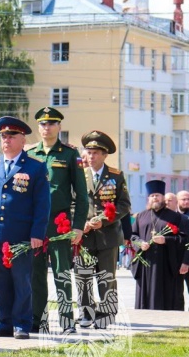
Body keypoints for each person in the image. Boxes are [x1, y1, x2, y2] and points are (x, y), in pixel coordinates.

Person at [0, 116, 51, 340]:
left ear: (22, 139)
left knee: (21, 280)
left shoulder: (35, 167)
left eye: (11, 136)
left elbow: (42, 204)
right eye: (3, 136)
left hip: (21, 235)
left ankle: (22, 324)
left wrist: (37, 233)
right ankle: (4, 323)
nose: (6, 139)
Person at [26, 107, 88, 335]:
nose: (47, 127)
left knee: (62, 272)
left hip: (59, 222)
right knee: (36, 273)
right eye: (43, 124)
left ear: (59, 127)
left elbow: (81, 195)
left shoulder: (70, 155)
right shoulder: (31, 154)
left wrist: (78, 226)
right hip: (35, 223)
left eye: (51, 123)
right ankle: (37, 320)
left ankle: (66, 320)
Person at [78, 130, 132, 328]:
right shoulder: (80, 175)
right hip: (83, 236)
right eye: (88, 152)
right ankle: (86, 312)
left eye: (95, 153)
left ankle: (106, 313)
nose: (91, 156)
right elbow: (73, 202)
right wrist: (79, 223)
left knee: (106, 277)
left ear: (104, 155)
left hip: (108, 236)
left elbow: (124, 205)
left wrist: (105, 220)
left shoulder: (116, 176)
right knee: (83, 275)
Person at [131, 180, 189, 310]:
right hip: (146, 263)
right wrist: (140, 243)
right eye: (152, 195)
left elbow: (184, 240)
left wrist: (166, 240)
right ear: (148, 198)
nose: (155, 198)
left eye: (157, 195)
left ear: (163, 197)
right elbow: (132, 236)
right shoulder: (141, 216)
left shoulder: (176, 217)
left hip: (167, 265)